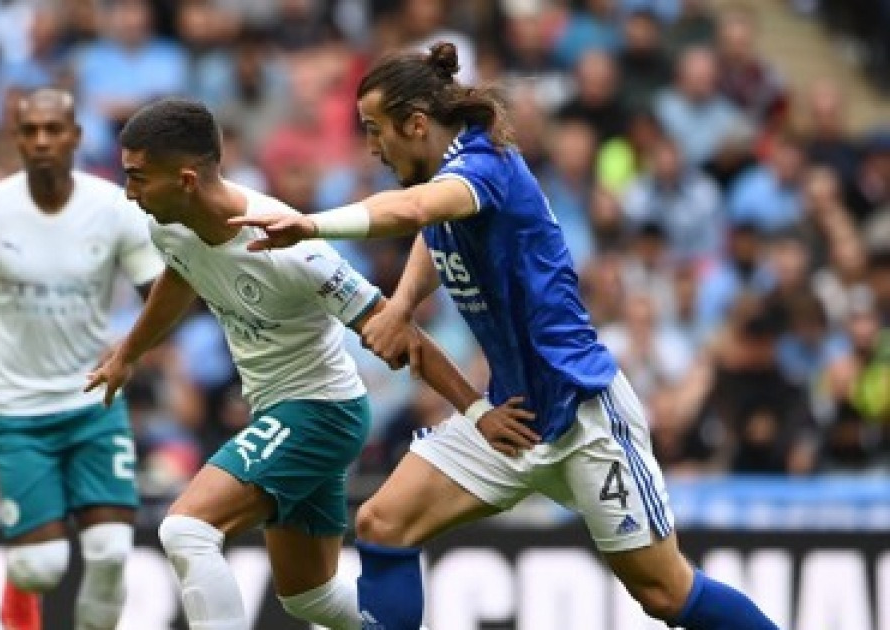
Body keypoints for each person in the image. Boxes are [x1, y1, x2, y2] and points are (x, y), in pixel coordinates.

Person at [232, 43, 780, 630]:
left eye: (375, 130)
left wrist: (313, 223)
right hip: (509, 419)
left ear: (416, 124)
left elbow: (418, 209)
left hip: (581, 412)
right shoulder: (451, 182)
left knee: (664, 594)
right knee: (382, 523)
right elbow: (433, 228)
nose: (371, 147)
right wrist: (403, 303)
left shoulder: (485, 166)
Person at [86, 98, 537, 630]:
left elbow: (396, 331)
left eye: (137, 178)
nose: (129, 192)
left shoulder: (290, 248)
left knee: (186, 530)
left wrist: (477, 411)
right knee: (311, 598)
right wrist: (128, 354)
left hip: (321, 412)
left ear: (185, 179)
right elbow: (181, 274)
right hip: (278, 411)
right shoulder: (170, 224)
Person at [0, 89, 165, 630]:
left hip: (94, 404)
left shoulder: (113, 209)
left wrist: (129, 350)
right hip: (19, 412)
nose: (41, 141)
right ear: (16, 139)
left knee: (109, 553)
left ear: (75, 136)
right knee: (40, 567)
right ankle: (20, 587)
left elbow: (162, 292)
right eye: (30, 131)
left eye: (53, 130)